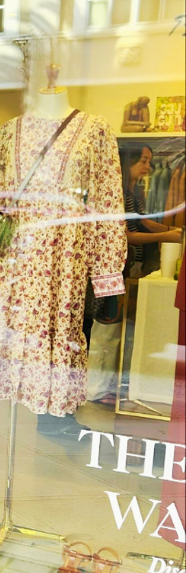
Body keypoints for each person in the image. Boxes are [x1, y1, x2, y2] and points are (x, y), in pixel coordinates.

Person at [86, 145, 183, 406]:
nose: (148, 167)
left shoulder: (132, 193)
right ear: (126, 162)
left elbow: (144, 222)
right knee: (106, 327)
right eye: (143, 161)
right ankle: (95, 389)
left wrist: (174, 230)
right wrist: (169, 235)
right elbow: (125, 235)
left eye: (149, 161)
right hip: (109, 268)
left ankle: (103, 386)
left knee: (115, 328)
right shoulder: (114, 194)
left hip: (125, 267)